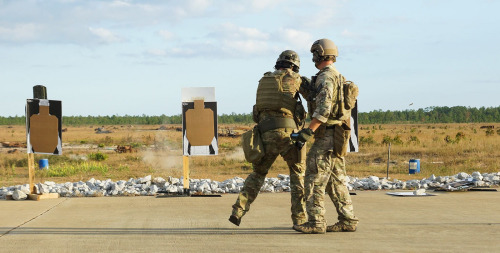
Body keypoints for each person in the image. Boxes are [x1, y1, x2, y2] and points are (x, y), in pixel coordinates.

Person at [229, 50, 308, 227]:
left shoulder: (264, 80)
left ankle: (238, 210)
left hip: (266, 133)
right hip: (290, 135)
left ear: (278, 63)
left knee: (258, 173)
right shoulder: (295, 78)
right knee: (297, 176)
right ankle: (300, 219)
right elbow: (311, 98)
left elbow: (256, 113)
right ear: (294, 65)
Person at [292, 39, 359, 234]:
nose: (313, 57)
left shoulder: (325, 78)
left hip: (326, 136)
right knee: (336, 180)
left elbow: (323, 110)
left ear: (319, 54)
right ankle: (347, 219)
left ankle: (316, 222)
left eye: (314, 54)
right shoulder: (336, 76)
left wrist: (307, 131)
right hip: (337, 136)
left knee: (313, 178)